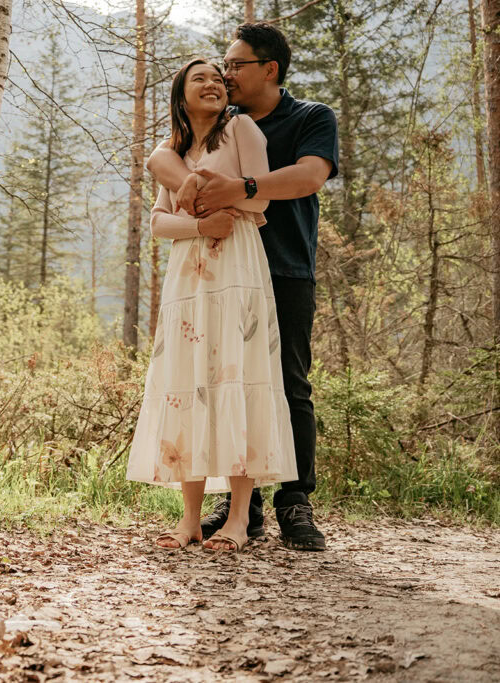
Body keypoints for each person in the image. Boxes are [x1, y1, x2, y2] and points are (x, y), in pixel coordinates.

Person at [147, 22, 339, 551]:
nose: (226, 76)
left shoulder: (308, 117)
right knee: (215, 381)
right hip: (213, 272)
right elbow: (163, 159)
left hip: (283, 267)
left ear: (269, 69)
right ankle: (240, 510)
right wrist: (186, 182)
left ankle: (294, 502)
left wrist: (242, 188)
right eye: (218, 70)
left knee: (286, 384)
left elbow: (308, 177)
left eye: (234, 66)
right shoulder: (215, 124)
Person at [126, 56, 298, 553]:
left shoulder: (240, 128)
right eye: (197, 78)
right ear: (181, 95)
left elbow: (260, 201)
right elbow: (160, 223)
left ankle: (240, 519)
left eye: (216, 79)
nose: (212, 84)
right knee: (189, 384)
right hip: (188, 276)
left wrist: (208, 198)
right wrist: (202, 223)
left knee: (237, 379)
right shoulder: (173, 150)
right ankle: (189, 521)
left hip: (238, 268)